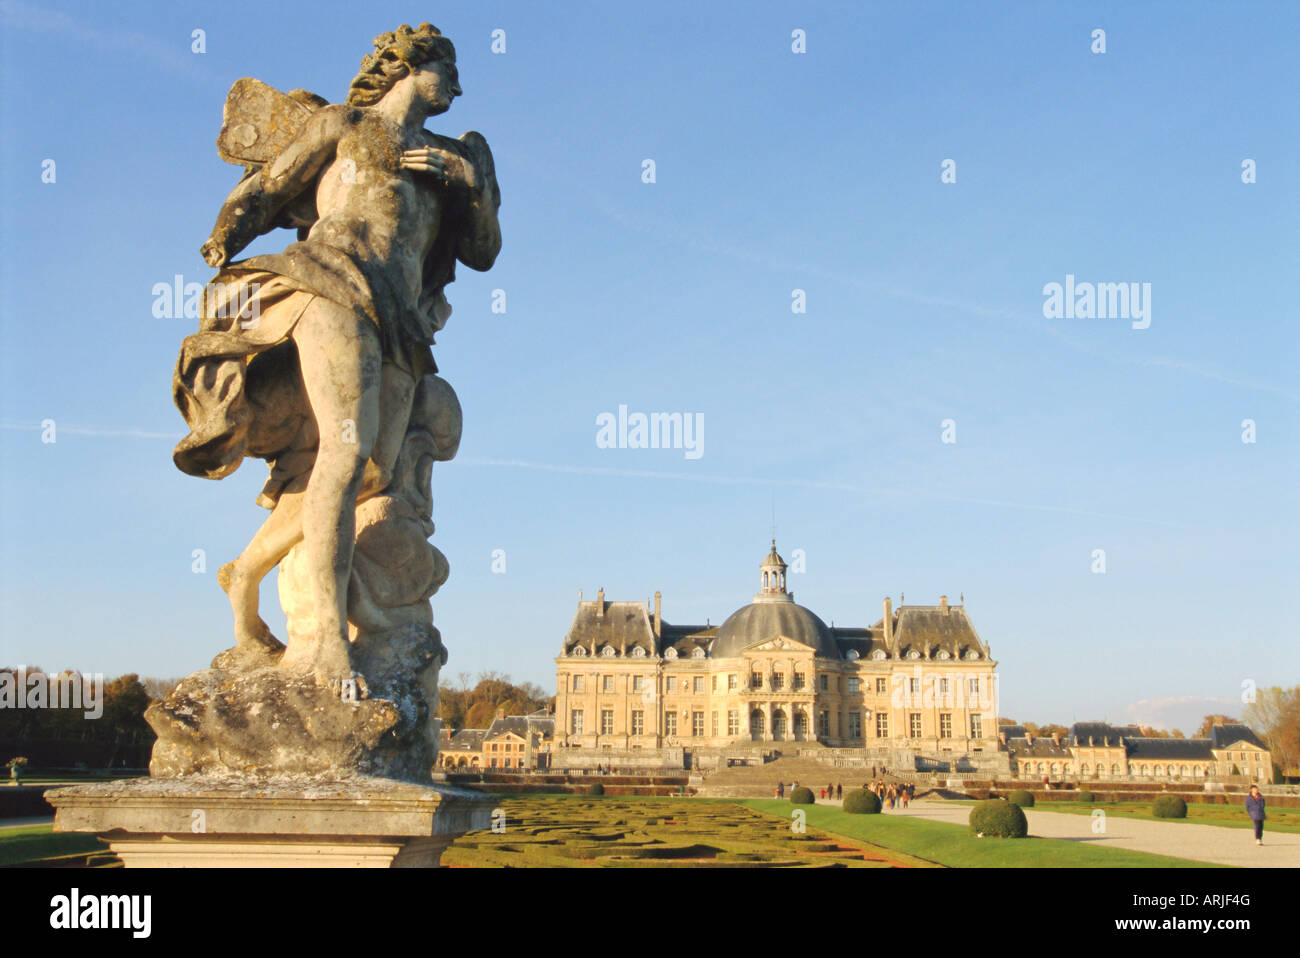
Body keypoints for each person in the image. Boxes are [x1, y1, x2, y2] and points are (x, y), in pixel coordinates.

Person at [177, 23, 502, 689]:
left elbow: (484, 252)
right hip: (331, 279)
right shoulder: (346, 125)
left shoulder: (453, 155)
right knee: (346, 454)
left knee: (371, 472)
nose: (459, 85)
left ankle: (244, 575)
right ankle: (323, 642)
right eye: (448, 68)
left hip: (401, 318)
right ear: (409, 66)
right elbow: (269, 188)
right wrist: (224, 235)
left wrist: (466, 182)